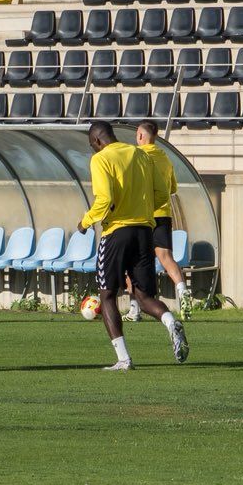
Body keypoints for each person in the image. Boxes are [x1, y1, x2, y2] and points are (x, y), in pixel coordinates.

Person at [81, 120, 188, 370]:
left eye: (92, 145)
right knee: (143, 295)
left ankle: (123, 359)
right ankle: (171, 322)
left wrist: (85, 222)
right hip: (144, 231)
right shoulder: (140, 155)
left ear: (97, 141)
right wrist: (142, 211)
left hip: (117, 232)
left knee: (107, 294)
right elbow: (163, 194)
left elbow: (104, 199)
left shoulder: (100, 159)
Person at [135, 120, 191, 320]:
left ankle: (135, 308)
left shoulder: (139, 156)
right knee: (166, 257)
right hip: (163, 214)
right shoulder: (165, 158)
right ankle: (183, 291)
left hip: (142, 216)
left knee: (133, 262)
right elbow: (173, 188)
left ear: (140, 136)